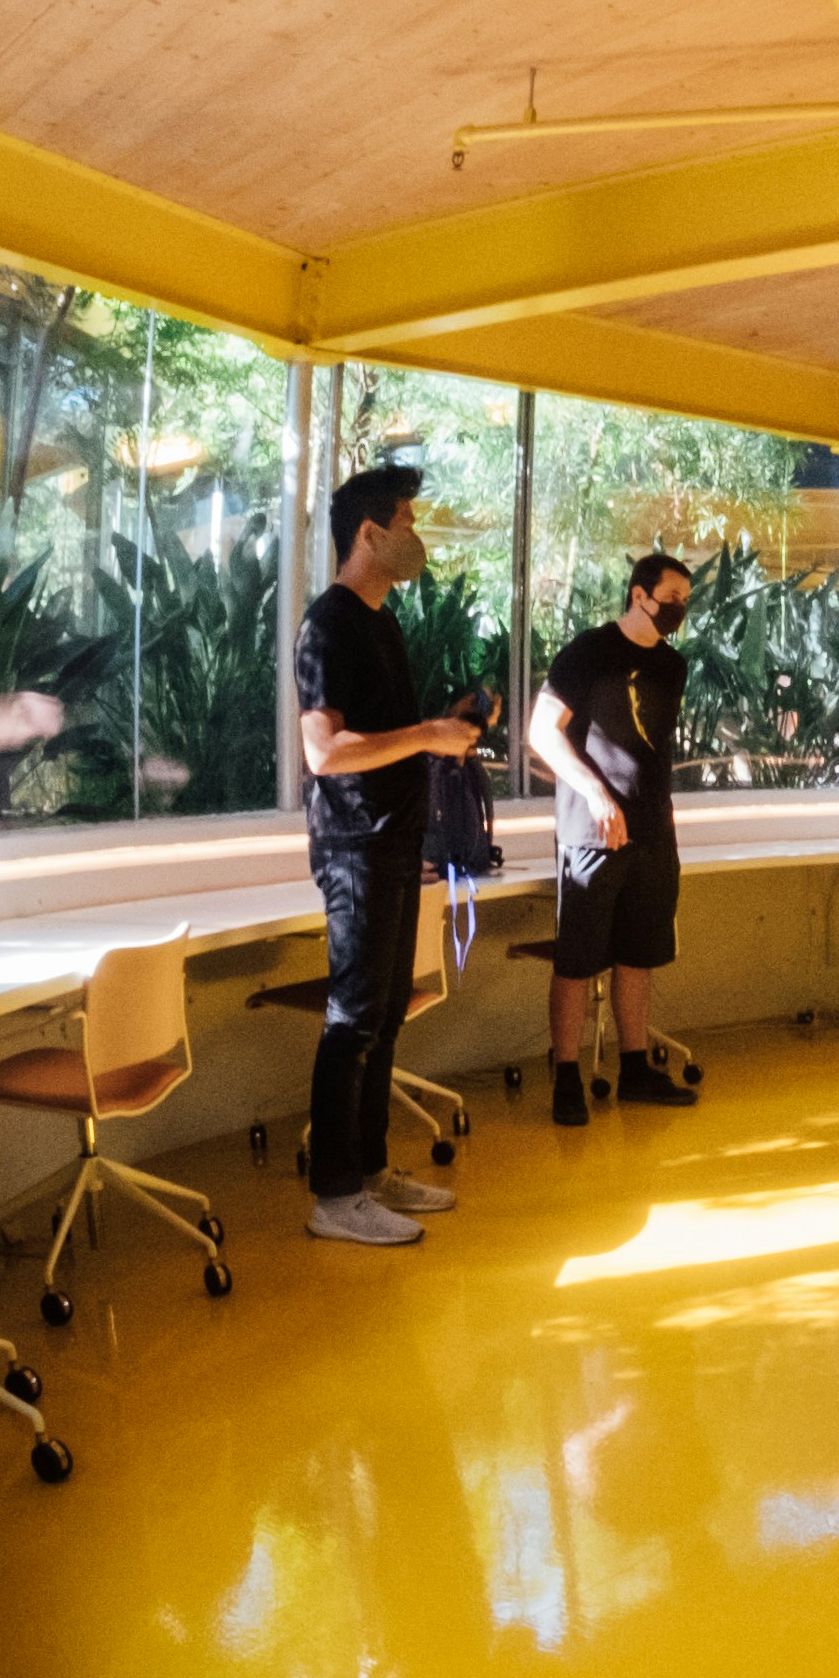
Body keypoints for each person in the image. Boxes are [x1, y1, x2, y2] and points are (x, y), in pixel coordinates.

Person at [294, 466, 485, 1247]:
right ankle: (334, 1195)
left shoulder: (381, 620)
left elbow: (383, 741)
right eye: (405, 520)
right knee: (353, 1020)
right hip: (354, 848)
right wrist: (426, 736)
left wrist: (448, 727)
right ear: (368, 533)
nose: (417, 533)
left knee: (383, 1018)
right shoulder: (329, 624)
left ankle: (369, 1171)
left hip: (397, 845)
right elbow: (324, 753)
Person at [531, 552, 699, 1127]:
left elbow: (654, 751)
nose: (677, 608)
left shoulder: (672, 668)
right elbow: (541, 734)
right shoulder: (589, 652)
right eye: (669, 595)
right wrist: (596, 794)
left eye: (685, 599)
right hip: (591, 833)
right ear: (638, 594)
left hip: (653, 831)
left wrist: (665, 818)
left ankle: (635, 1070)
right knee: (576, 962)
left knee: (638, 955)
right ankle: (567, 1078)